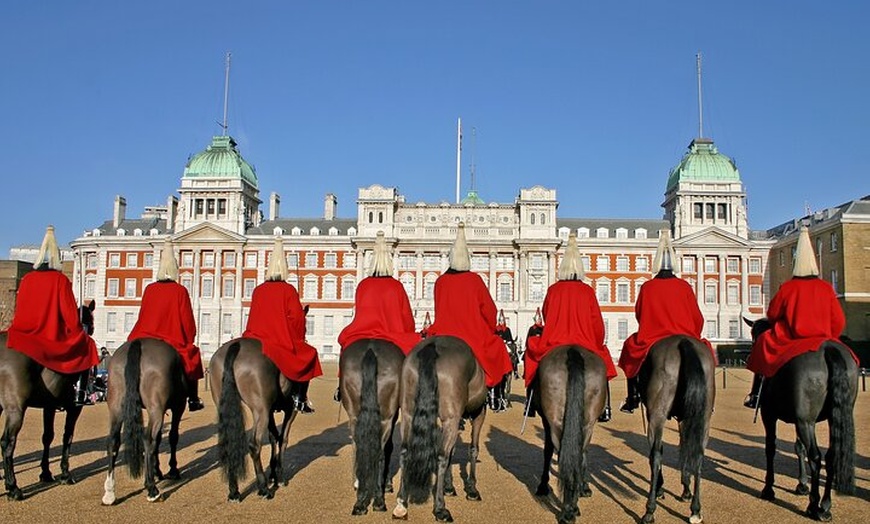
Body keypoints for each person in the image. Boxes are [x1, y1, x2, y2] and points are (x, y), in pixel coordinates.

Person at [743, 225, 852, 408]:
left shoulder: (788, 287)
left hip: (793, 338)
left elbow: (773, 315)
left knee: (762, 343)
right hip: (822, 337)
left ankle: (757, 394)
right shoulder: (826, 287)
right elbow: (839, 321)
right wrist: (828, 334)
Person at [618, 229, 712, 413]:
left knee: (629, 348)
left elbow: (640, 314)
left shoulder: (648, 286)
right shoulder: (684, 286)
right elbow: (697, 318)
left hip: (653, 337)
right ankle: (708, 400)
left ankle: (633, 397)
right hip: (685, 334)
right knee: (705, 353)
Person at [525, 234, 617, 421]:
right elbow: (597, 325)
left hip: (554, 342)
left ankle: (531, 400)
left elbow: (547, 315)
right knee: (603, 366)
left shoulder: (553, 290)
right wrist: (597, 343)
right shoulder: (588, 291)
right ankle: (606, 407)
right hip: (585, 342)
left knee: (532, 355)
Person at [6, 226, 99, 405]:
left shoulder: (27, 279)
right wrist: (77, 330)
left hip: (21, 332)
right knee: (88, 345)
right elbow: (71, 318)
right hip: (49, 333)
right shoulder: (60, 280)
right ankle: (80, 392)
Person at [426, 223, 513, 412]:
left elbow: (439, 310)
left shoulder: (440, 281)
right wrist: (490, 329)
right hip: (472, 334)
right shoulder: (475, 280)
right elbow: (490, 311)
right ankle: (496, 396)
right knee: (499, 348)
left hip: (443, 333)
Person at [335, 231, 421, 401]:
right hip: (391, 335)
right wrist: (408, 332)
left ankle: (340, 387)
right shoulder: (396, 286)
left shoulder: (363, 285)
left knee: (345, 349)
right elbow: (407, 319)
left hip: (360, 333)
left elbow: (359, 312)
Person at [243, 236, 323, 413]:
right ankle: (300, 399)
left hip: (254, 337)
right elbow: (297, 319)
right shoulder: (288, 290)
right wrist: (297, 336)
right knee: (310, 354)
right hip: (278, 340)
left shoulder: (259, 289)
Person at [128, 240, 205, 411]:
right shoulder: (180, 291)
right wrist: (189, 338)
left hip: (142, 336)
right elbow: (188, 323)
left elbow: (143, 316)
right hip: (172, 339)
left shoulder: (150, 289)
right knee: (192, 359)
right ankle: (193, 399)